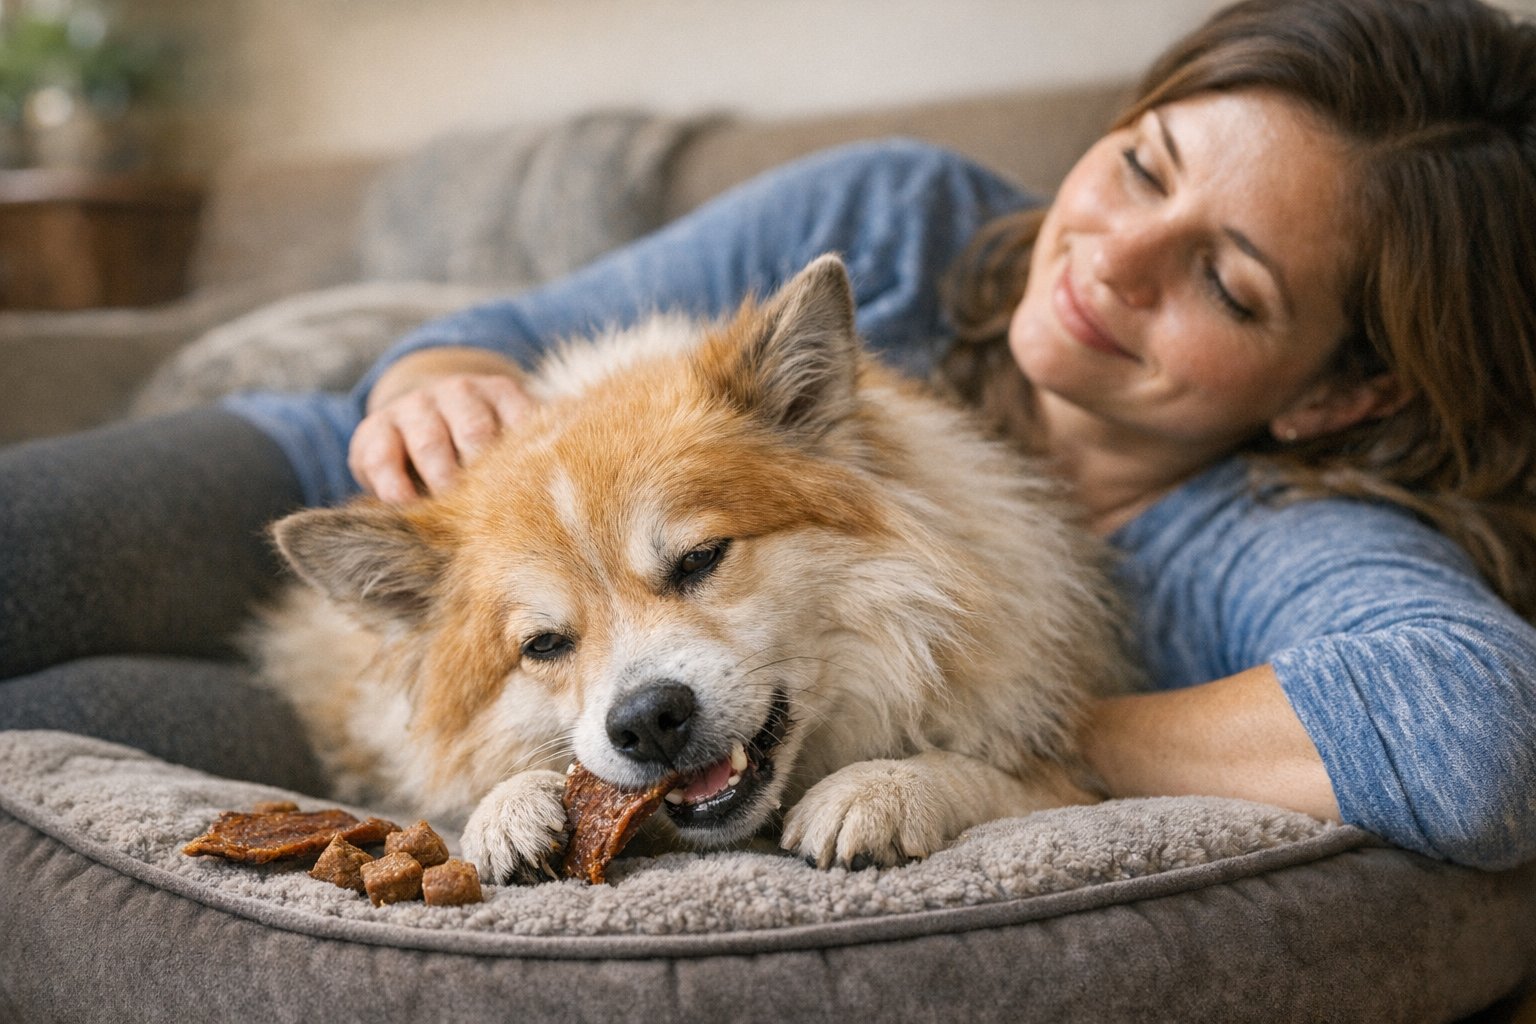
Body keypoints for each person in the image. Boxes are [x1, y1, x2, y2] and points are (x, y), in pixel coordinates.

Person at [2, 0, 1534, 869]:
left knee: (56, 718)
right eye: (1142, 166)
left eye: (1226, 280)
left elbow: (1480, 734)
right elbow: (514, 331)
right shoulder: (894, 212)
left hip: (435, 662)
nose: (1112, 258)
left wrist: (1051, 747)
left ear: (1339, 390)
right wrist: (433, 375)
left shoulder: (1253, 535)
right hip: (356, 480)